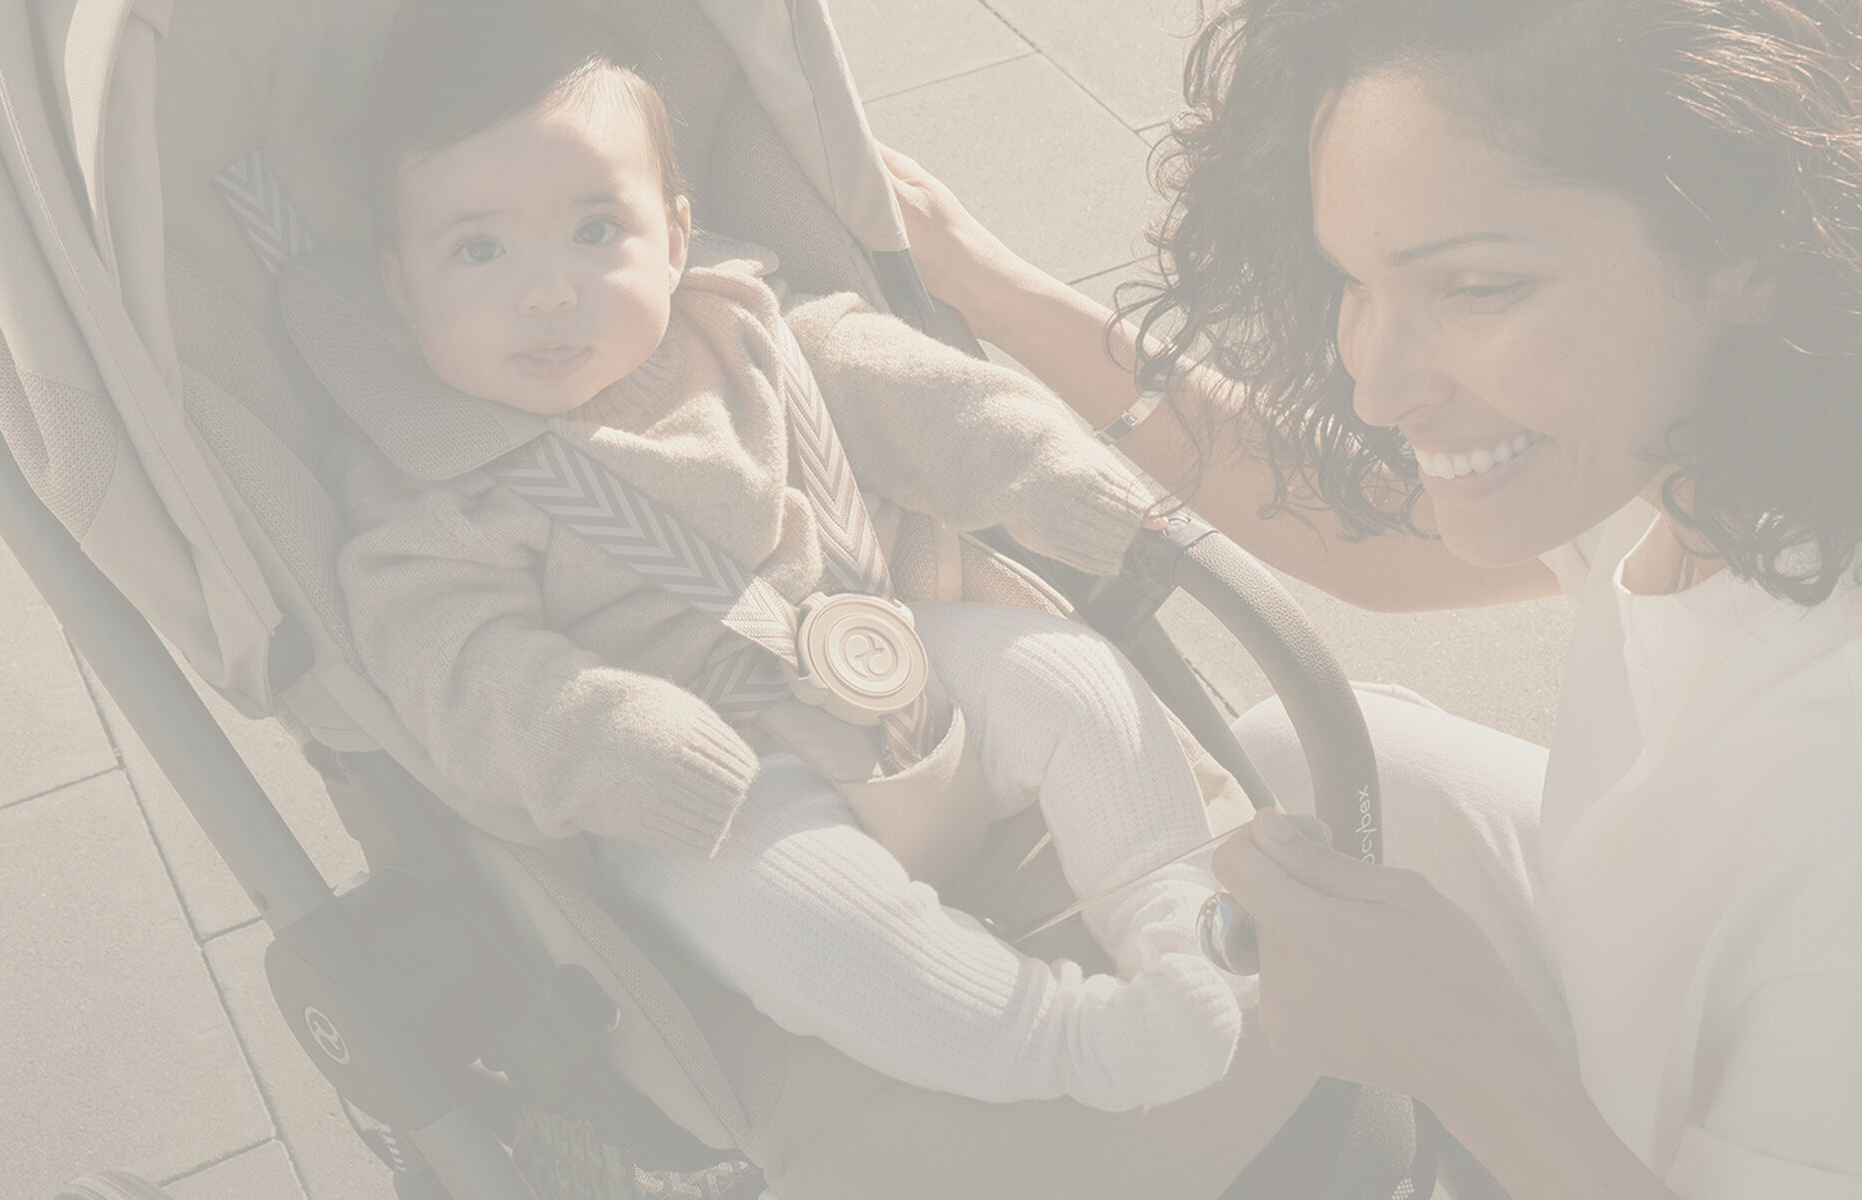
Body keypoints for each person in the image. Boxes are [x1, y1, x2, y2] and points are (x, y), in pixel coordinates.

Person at [876, 0, 1862, 1194]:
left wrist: (1471, 1064)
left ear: (1744, 243)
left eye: (1475, 290)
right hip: (1799, 1031)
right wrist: (977, 279)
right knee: (1311, 766)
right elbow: (1366, 536)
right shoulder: (1815, 392)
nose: (1376, 382)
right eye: (1354, 280)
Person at [321, 0, 1248, 1113]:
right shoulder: (430, 482)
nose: (546, 290)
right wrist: (621, 739)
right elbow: (455, 669)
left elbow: (923, 398)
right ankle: (1063, 1042)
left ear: (674, 236)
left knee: (1076, 678)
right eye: (477, 248)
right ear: (395, 285)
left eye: (592, 231)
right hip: (703, 781)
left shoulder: (748, 326)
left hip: (883, 649)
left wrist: (1050, 473)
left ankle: (1174, 920)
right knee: (814, 926)